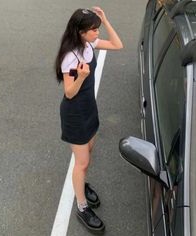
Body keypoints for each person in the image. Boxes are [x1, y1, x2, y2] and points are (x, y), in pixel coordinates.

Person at [55, 6, 123, 232]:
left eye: (97, 28)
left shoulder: (88, 45)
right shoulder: (69, 56)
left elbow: (117, 45)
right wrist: (82, 76)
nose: (97, 33)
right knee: (82, 162)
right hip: (74, 113)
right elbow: (69, 93)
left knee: (86, 155)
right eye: (93, 30)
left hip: (89, 108)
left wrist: (105, 19)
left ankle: (80, 183)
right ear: (80, 32)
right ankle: (82, 207)